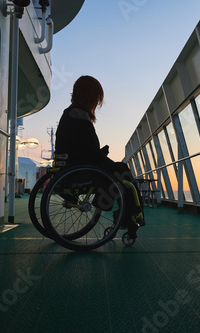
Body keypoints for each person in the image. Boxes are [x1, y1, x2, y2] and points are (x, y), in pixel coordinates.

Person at [54, 75, 144, 238]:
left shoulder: (70, 114)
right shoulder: (80, 116)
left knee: (119, 169)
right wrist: (102, 156)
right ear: (90, 96)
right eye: (97, 97)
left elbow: (84, 149)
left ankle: (125, 214)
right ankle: (129, 216)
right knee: (123, 172)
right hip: (80, 170)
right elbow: (92, 153)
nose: (97, 101)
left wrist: (100, 154)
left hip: (69, 166)